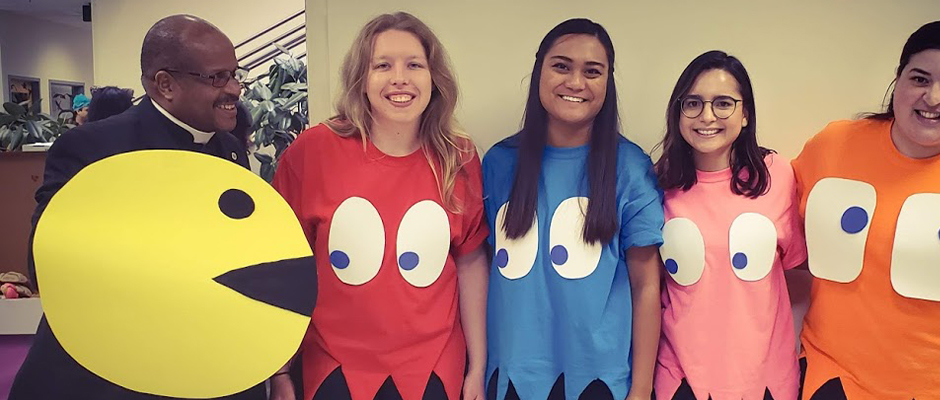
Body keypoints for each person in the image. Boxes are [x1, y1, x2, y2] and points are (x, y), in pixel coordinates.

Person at [9, 14, 259, 400]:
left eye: (235, 74)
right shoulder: (93, 149)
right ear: (165, 84)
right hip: (101, 376)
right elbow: (46, 265)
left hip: (196, 366)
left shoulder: (229, 150)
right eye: (218, 77)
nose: (235, 89)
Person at [793, 19, 940, 399]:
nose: (933, 98)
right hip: (831, 381)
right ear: (898, 80)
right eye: (919, 78)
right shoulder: (832, 145)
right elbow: (790, 248)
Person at [269, 11, 489, 400]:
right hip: (334, 369)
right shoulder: (313, 151)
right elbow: (285, 265)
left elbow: (470, 261)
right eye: (382, 65)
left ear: (433, 77)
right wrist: (281, 371)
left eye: (414, 65)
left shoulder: (459, 157)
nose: (399, 78)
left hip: (433, 371)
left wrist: (478, 366)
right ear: (362, 78)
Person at [482, 18, 663, 400]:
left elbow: (646, 285)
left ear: (607, 82)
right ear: (539, 71)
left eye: (592, 72)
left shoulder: (630, 167)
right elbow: (479, 273)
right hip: (511, 377)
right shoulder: (498, 162)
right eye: (561, 66)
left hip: (598, 381)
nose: (576, 82)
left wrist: (642, 389)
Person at [652, 51, 806, 400]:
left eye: (723, 103)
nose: (707, 116)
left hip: (764, 379)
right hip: (680, 380)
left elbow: (796, 269)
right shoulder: (657, 184)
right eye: (692, 103)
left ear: (745, 113)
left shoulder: (778, 175)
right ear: (678, 112)